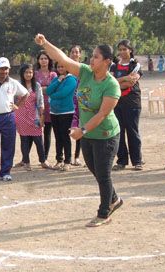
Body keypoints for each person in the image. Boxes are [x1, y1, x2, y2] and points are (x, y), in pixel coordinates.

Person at [35, 34, 123, 227]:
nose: (91, 59)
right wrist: (45, 43)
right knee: (96, 171)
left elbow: (101, 114)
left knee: (103, 173)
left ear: (107, 61)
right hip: (88, 134)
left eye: (96, 57)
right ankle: (114, 199)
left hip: (106, 135)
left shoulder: (111, 85)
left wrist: (81, 130)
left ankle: (103, 213)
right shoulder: (85, 72)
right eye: (91, 56)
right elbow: (62, 59)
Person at [111, 39, 143, 171]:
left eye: (125, 49)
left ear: (130, 50)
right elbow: (110, 82)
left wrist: (119, 82)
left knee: (132, 131)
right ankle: (122, 160)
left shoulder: (135, 65)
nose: (123, 52)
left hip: (132, 102)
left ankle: (137, 161)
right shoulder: (114, 66)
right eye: (120, 49)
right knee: (119, 132)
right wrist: (124, 78)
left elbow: (131, 83)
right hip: (117, 102)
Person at [13, 64, 50, 171]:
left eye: (30, 72)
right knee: (24, 139)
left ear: (33, 73)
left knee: (38, 139)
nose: (28, 74)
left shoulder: (37, 85)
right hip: (20, 115)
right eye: (26, 72)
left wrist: (42, 116)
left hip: (34, 116)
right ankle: (26, 162)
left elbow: (40, 101)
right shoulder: (17, 85)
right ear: (22, 73)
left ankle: (43, 161)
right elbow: (13, 100)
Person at [46, 62, 77, 171]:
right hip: (54, 112)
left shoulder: (71, 79)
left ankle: (67, 161)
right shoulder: (56, 79)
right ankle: (59, 160)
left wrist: (52, 95)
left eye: (62, 66)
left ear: (67, 67)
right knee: (58, 137)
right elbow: (48, 90)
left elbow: (63, 94)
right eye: (58, 66)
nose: (60, 68)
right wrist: (58, 81)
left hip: (66, 112)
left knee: (65, 137)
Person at [35, 51, 57, 160]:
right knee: (34, 132)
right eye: (41, 58)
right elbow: (33, 89)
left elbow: (54, 89)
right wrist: (46, 89)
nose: (43, 60)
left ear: (49, 60)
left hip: (50, 106)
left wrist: (42, 89)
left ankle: (45, 157)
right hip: (37, 106)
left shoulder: (53, 74)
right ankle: (25, 159)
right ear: (38, 61)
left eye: (45, 58)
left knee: (47, 133)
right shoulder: (34, 74)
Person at [69, 45, 84, 166]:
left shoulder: (83, 70)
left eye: (77, 52)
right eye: (72, 52)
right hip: (66, 104)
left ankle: (77, 157)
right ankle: (66, 157)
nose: (74, 54)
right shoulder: (65, 68)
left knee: (79, 130)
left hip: (79, 103)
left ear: (80, 54)